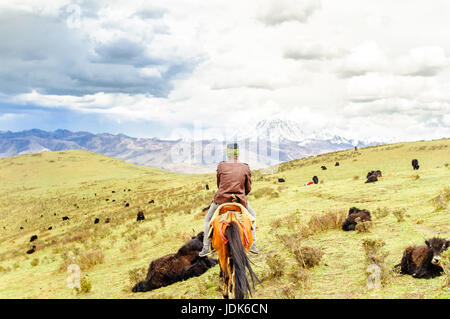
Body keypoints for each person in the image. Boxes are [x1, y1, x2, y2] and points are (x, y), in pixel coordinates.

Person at [199, 143, 259, 257]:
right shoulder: (245, 167)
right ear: (238, 153)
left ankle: (206, 248)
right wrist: (241, 196)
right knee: (253, 215)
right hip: (239, 200)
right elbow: (248, 188)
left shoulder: (221, 166)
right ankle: (252, 245)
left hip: (221, 200)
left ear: (228, 153)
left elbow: (219, 184)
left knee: (208, 219)